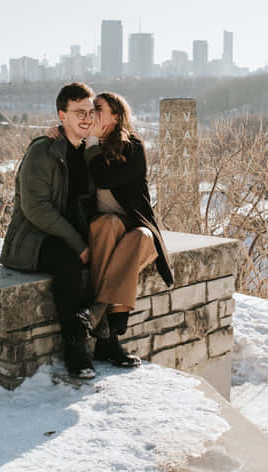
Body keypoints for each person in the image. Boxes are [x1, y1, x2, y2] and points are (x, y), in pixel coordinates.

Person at [0, 82, 97, 378]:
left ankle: (108, 339)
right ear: (61, 115)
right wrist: (79, 244)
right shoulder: (43, 152)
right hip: (33, 240)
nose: (86, 117)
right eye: (78, 111)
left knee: (109, 255)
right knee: (69, 262)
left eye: (91, 111)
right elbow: (36, 209)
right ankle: (75, 348)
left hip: (71, 235)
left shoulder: (87, 151)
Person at [76, 91, 174, 367]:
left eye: (99, 108)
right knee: (107, 225)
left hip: (134, 221)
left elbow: (105, 178)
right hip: (101, 223)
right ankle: (109, 340)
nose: (93, 113)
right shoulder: (84, 141)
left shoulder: (132, 146)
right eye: (91, 109)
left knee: (143, 238)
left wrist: (93, 144)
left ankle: (99, 310)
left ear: (116, 115)